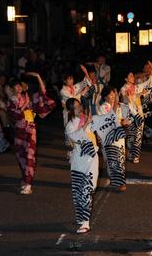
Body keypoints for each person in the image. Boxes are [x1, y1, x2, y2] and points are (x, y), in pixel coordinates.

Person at [7, 72, 56, 194]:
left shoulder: (29, 97)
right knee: (20, 156)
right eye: (16, 86)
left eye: (20, 86)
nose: (18, 88)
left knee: (29, 156)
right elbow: (14, 115)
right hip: (19, 131)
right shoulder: (12, 101)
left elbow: (43, 93)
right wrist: (23, 106)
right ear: (13, 88)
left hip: (30, 130)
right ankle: (25, 179)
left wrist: (38, 77)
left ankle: (28, 184)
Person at [65, 98, 99, 234]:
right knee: (77, 192)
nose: (80, 108)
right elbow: (74, 138)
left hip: (91, 160)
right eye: (76, 107)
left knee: (86, 190)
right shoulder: (70, 125)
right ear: (71, 111)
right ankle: (80, 217)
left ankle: (85, 222)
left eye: (80, 106)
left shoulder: (88, 119)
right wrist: (86, 124)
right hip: (78, 162)